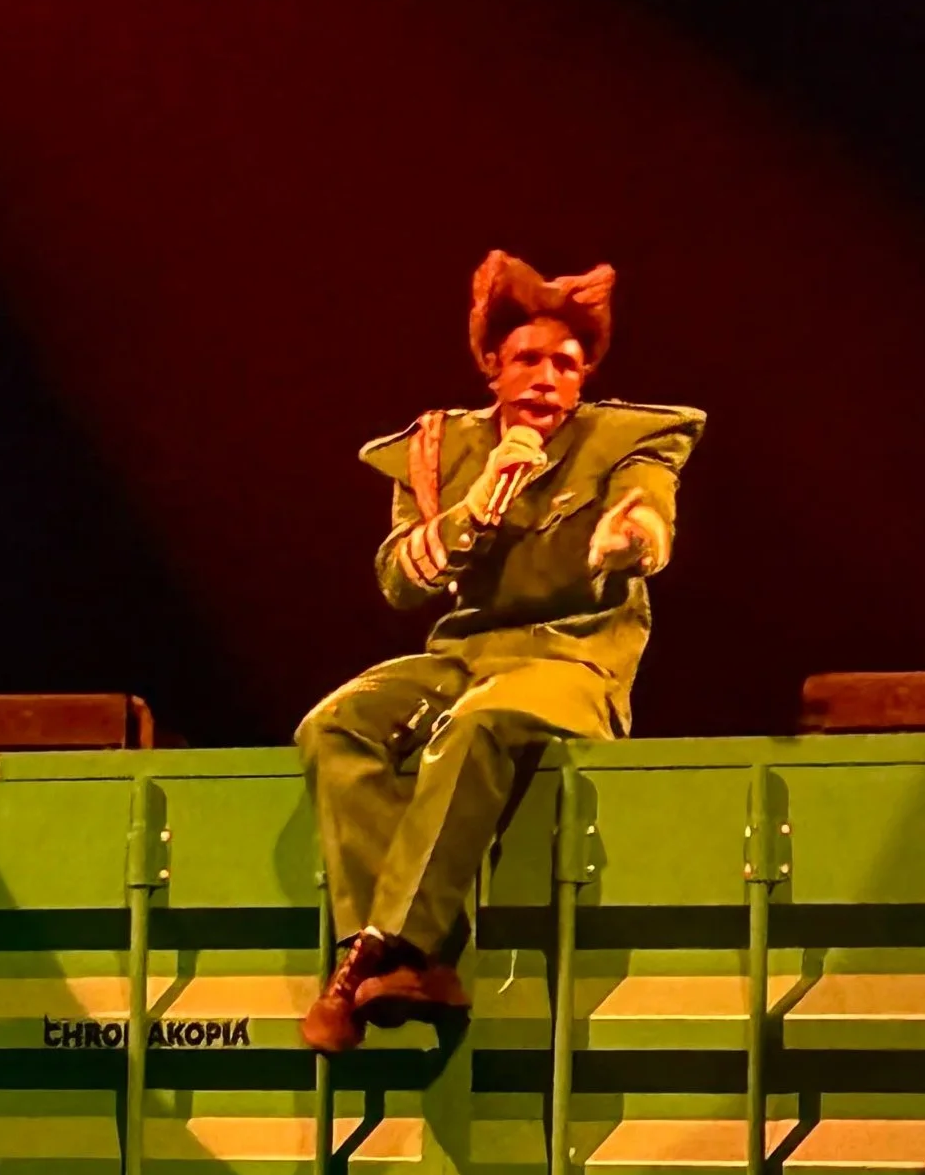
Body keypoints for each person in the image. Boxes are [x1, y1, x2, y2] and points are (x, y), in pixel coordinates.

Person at [298, 250, 704, 1049]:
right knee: (332, 726)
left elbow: (648, 504)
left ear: (584, 378)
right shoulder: (438, 450)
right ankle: (418, 955)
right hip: (464, 653)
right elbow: (397, 581)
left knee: (477, 724)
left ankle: (377, 955)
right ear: (492, 366)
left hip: (573, 659)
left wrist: (635, 537)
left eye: (566, 362)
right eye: (528, 358)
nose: (546, 376)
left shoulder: (624, 438)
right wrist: (475, 506)